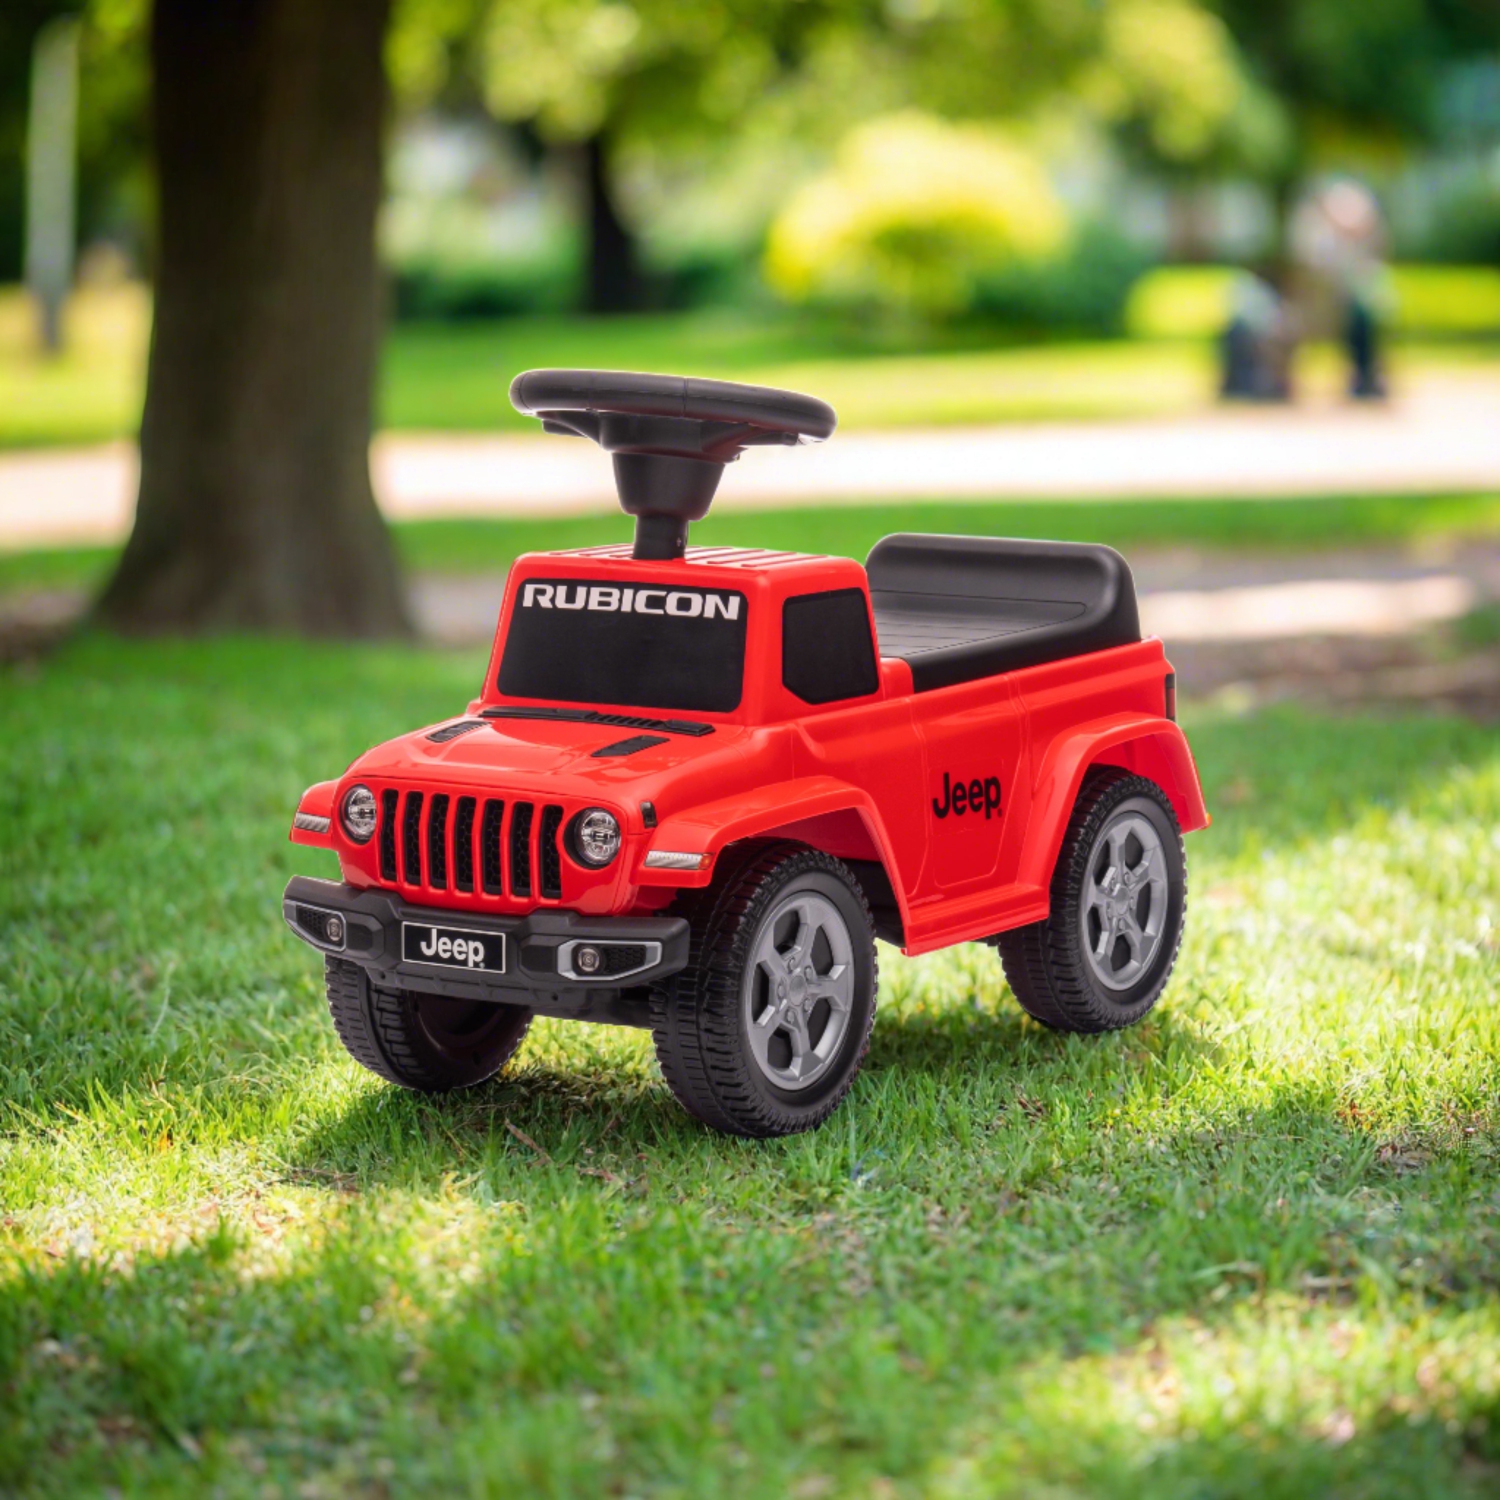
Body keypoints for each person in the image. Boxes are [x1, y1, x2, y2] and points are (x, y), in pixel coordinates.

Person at [1288, 179, 1390, 400]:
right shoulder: (1316, 236)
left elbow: (1371, 275)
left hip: (1344, 309)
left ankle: (1365, 378)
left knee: (1362, 317)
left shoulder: (1362, 244)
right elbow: (1314, 274)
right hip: (1319, 308)